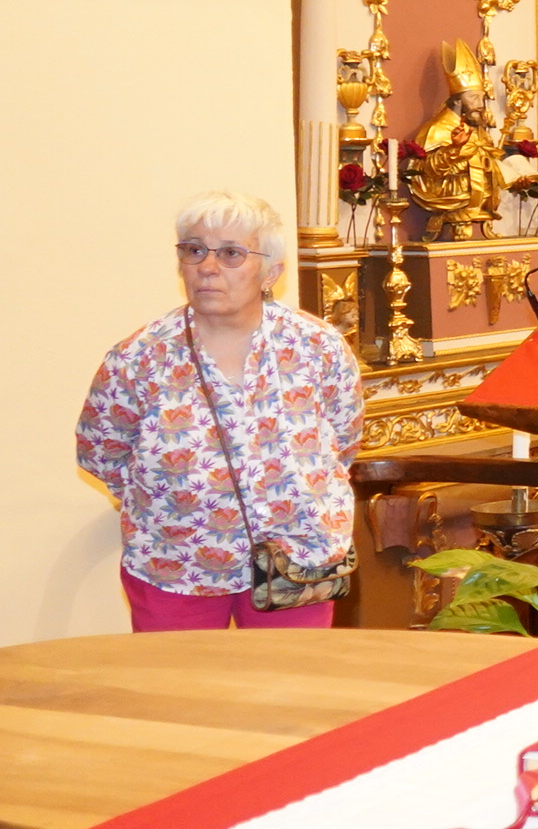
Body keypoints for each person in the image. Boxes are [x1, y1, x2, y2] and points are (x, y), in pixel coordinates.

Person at [76, 193, 362, 630]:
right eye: (194, 250)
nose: (207, 267)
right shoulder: (138, 358)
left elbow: (343, 441)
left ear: (271, 272)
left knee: (292, 675)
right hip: (175, 564)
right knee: (180, 677)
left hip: (297, 561)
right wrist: (177, 502)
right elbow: (101, 453)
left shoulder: (318, 347)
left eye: (231, 254)